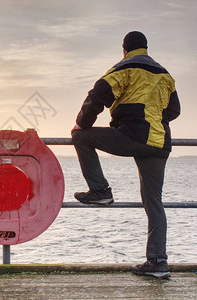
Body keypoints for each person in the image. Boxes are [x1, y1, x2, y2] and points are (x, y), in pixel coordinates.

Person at [71, 31, 181, 279]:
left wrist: (83, 122)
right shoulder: (165, 75)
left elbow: (96, 96)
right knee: (154, 203)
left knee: (80, 137)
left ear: (124, 49)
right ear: (146, 48)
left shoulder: (124, 68)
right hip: (159, 142)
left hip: (133, 136)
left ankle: (100, 191)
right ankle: (158, 262)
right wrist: (153, 119)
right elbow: (174, 110)